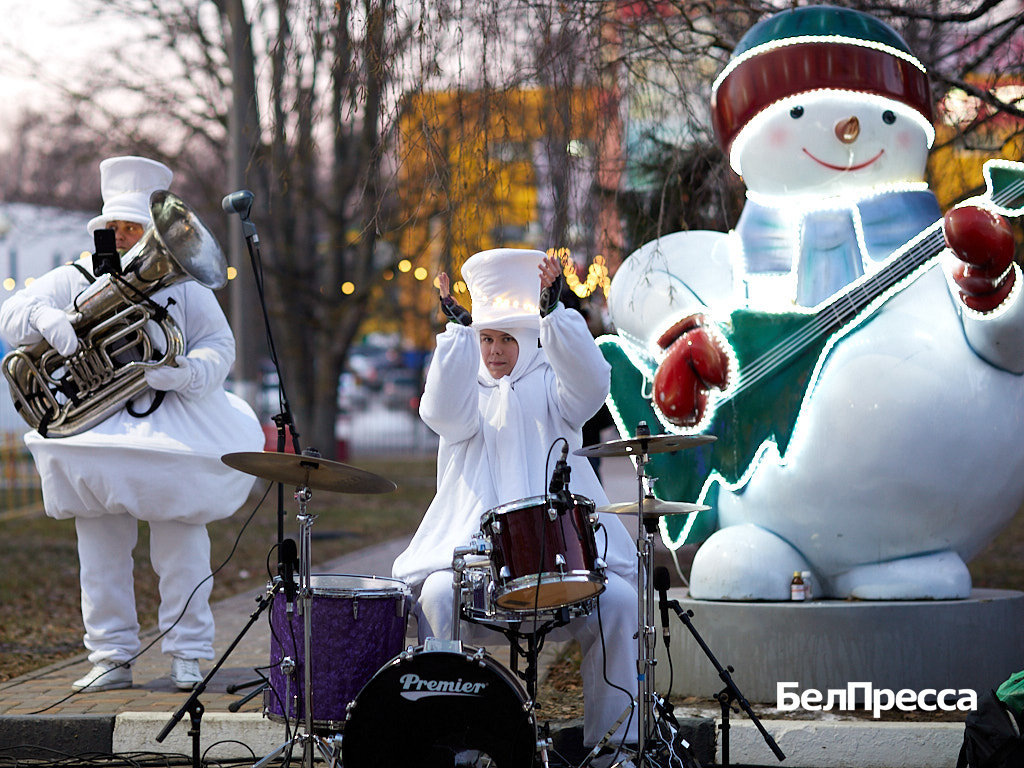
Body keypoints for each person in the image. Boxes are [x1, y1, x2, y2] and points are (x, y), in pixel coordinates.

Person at [0, 155, 264, 692]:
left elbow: (221, 346)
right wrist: (42, 318)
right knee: (98, 554)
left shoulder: (186, 286)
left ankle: (188, 652)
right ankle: (110, 657)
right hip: (93, 435)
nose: (121, 236)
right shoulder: (70, 277)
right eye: (112, 228)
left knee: (183, 550)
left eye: (131, 227)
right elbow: (11, 311)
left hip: (173, 431)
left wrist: (185, 373)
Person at [392, 248, 640, 764]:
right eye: (487, 338)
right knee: (437, 595)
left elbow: (592, 386)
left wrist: (555, 314)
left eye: (507, 338)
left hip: (562, 566)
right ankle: (450, 743)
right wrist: (458, 337)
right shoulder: (466, 390)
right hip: (476, 572)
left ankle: (616, 745)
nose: (496, 350)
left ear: (528, 338)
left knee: (619, 604)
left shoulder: (553, 385)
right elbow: (440, 412)